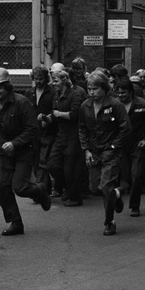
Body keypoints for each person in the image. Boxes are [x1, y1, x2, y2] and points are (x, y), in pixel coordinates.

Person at [0, 67, 50, 236]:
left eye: (0, 87)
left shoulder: (22, 103)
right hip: (2, 149)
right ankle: (15, 222)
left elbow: (32, 130)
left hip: (23, 150)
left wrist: (14, 143)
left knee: (19, 187)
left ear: (8, 86)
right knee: (0, 186)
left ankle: (40, 190)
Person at [78, 71, 131, 236]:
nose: (91, 92)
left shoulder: (115, 105)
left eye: (95, 88)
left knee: (106, 187)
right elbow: (82, 129)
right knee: (96, 189)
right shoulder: (85, 106)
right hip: (93, 152)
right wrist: (86, 150)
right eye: (89, 88)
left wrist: (114, 147)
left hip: (110, 153)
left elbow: (126, 128)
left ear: (104, 88)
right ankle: (117, 193)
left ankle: (109, 222)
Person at [113, 76, 145, 218]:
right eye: (118, 93)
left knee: (136, 175)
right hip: (121, 146)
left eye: (123, 93)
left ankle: (135, 205)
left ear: (130, 92)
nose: (120, 96)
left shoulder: (143, 105)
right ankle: (118, 196)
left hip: (138, 145)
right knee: (125, 177)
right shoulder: (114, 106)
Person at [46, 68, 87, 207]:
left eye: (56, 81)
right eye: (53, 81)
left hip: (73, 136)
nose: (53, 84)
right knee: (52, 165)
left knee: (71, 169)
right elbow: (54, 114)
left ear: (64, 80)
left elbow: (75, 115)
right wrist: (48, 118)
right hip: (61, 135)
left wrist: (59, 114)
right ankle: (67, 189)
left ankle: (74, 197)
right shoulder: (56, 96)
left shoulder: (75, 95)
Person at [26, 65, 56, 196]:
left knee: (43, 161)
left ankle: (40, 191)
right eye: (36, 79)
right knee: (35, 161)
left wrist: (47, 118)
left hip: (48, 131)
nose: (38, 81)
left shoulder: (52, 93)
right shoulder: (29, 93)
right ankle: (45, 187)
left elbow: (55, 110)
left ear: (46, 78)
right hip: (34, 132)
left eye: (41, 79)